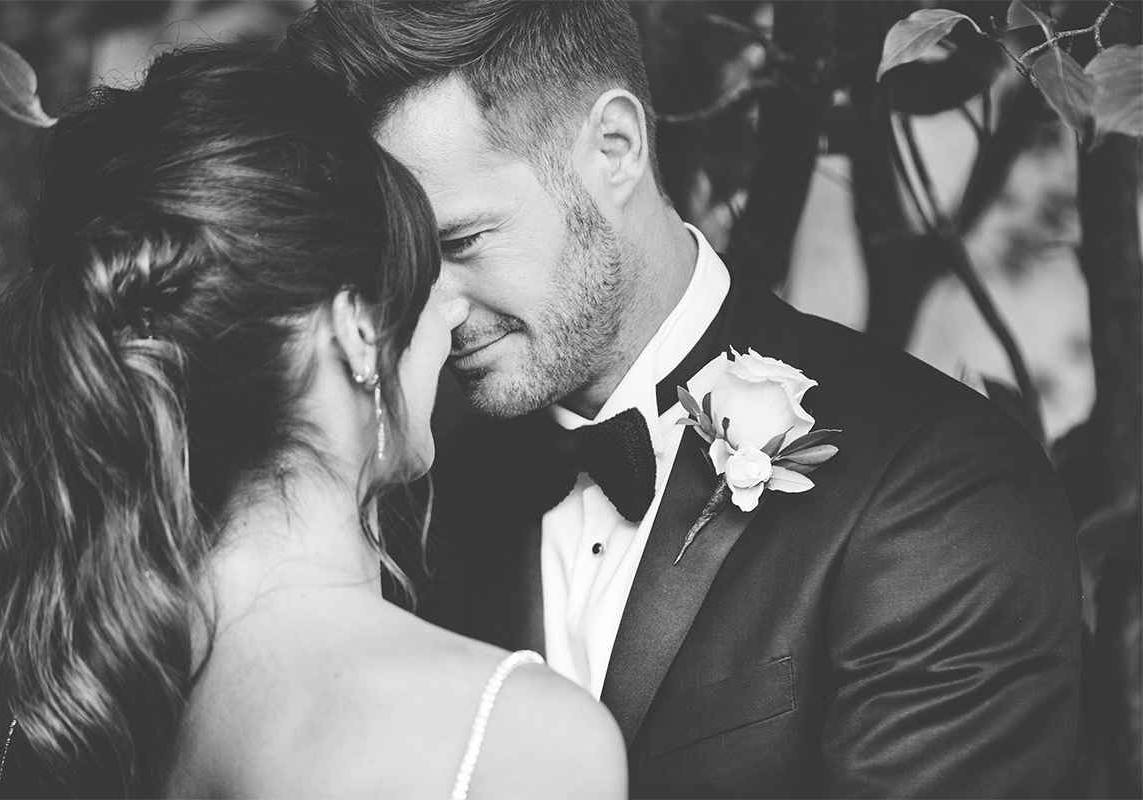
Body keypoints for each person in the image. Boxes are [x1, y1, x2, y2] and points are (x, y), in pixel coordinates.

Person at [282, 2, 1084, 797]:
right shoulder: (416, 504)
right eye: (408, 265)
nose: (438, 310)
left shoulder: (940, 490)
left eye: (461, 243)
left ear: (616, 147)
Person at [0, 46, 625, 799]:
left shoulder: (59, 720)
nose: (450, 318)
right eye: (423, 275)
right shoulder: (513, 739)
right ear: (356, 330)